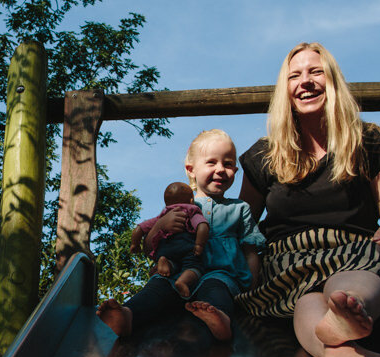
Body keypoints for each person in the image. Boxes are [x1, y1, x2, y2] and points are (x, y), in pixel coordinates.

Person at [235, 42, 380, 357]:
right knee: (305, 298)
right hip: (290, 261)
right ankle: (344, 355)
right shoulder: (265, 155)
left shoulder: (369, 141)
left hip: (355, 251)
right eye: (295, 75)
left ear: (333, 81)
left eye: (316, 72)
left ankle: (347, 317)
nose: (305, 81)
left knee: (352, 281)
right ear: (284, 91)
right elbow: (241, 226)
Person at [98, 129, 265, 342]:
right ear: (191, 170)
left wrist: (252, 290)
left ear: (235, 169)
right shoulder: (178, 208)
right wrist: (160, 226)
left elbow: (250, 251)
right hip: (178, 274)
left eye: (228, 163)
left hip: (221, 273)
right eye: (211, 162)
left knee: (216, 290)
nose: (221, 169)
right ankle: (128, 316)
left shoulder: (239, 209)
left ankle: (220, 320)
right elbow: (152, 249)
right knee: (157, 287)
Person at [131, 181, 210, 298]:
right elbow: (202, 225)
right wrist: (199, 245)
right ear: (191, 200)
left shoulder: (163, 215)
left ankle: (165, 262)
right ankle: (183, 281)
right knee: (193, 267)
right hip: (185, 246)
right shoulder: (191, 209)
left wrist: (135, 244)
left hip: (165, 247)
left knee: (172, 264)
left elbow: (140, 228)